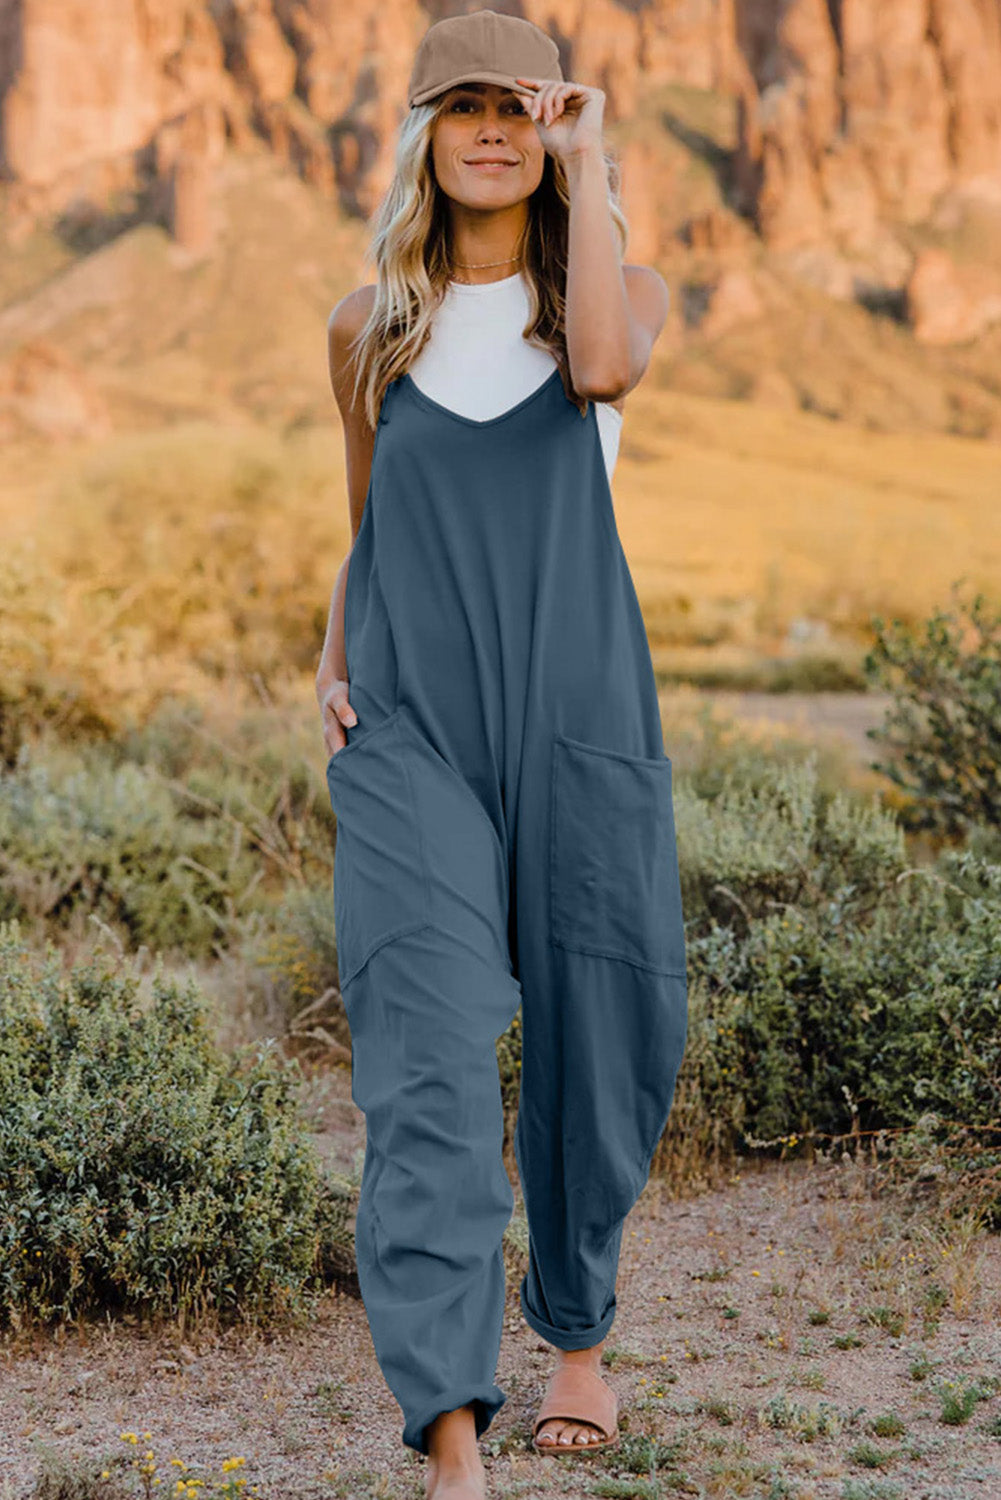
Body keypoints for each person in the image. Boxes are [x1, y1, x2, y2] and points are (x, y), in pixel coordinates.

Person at [316, 11, 688, 1498]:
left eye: (515, 107)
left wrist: (588, 165)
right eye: (457, 106)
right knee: (423, 1060)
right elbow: (365, 527)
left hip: (579, 705)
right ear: (420, 134)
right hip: (409, 723)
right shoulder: (367, 326)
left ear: (552, 127)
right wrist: (329, 665)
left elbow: (599, 371)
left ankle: (577, 1337)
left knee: (604, 1032)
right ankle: (451, 1430)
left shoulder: (615, 292)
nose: (488, 130)